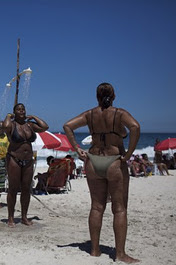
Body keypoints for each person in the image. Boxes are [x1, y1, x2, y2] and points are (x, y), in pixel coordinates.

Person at [63, 82, 140, 263]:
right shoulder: (119, 113)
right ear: (113, 96)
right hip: (114, 161)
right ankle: (120, 254)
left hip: (93, 161)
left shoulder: (90, 114)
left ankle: (95, 251)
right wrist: (128, 154)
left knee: (96, 207)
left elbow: (67, 126)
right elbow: (135, 127)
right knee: (119, 209)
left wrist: (77, 149)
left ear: (97, 97)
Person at [3, 103, 49, 227]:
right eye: (18, 109)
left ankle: (24, 217)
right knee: (13, 189)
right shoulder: (11, 125)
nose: (22, 111)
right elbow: (5, 126)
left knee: (26, 189)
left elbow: (45, 126)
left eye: (23, 109)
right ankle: (11, 218)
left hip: (28, 160)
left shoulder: (30, 125)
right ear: (14, 112)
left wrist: (34, 117)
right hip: (14, 159)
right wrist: (8, 116)